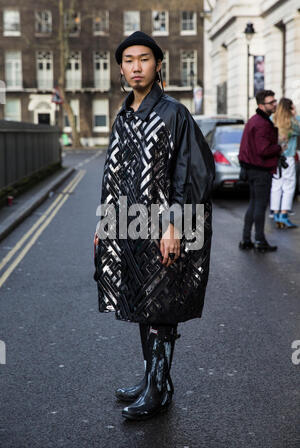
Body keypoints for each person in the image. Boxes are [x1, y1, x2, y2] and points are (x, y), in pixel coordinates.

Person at [93, 31, 215, 421]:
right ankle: (152, 378)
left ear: (158, 64)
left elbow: (192, 172)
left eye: (144, 59)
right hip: (130, 228)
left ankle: (159, 389)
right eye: (128, 60)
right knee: (143, 304)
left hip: (164, 227)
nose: (135, 67)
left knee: (162, 307)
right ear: (121, 67)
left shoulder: (174, 113)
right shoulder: (124, 114)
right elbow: (113, 176)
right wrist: (105, 223)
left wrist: (175, 225)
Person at [238, 90, 284, 253]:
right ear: (261, 105)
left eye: (275, 101)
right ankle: (259, 240)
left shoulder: (255, 120)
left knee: (253, 204)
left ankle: (246, 239)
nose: (275, 104)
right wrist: (279, 147)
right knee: (260, 205)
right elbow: (263, 149)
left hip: (252, 169)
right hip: (260, 170)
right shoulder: (261, 123)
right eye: (271, 102)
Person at [270, 98, 300, 228]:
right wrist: (295, 114)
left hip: (274, 157)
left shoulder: (272, 120)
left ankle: (275, 213)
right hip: (287, 158)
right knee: (288, 186)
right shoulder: (292, 123)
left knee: (276, 185)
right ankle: (283, 215)